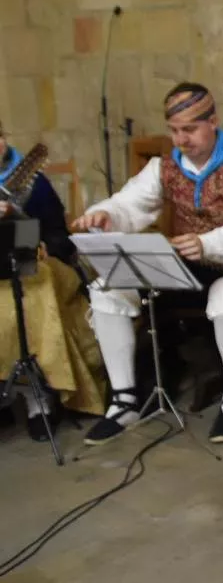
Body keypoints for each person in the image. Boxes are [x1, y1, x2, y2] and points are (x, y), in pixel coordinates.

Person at [72, 84, 223, 445]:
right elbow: (129, 203)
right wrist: (103, 214)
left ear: (213, 122)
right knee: (107, 290)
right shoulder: (162, 168)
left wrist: (206, 242)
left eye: (190, 129)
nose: (181, 139)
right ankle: (125, 400)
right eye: (174, 130)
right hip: (178, 269)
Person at [0, 125, 106, 438]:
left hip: (43, 266)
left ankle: (40, 396)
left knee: (32, 289)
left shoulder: (36, 184)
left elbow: (62, 237)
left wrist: (45, 244)